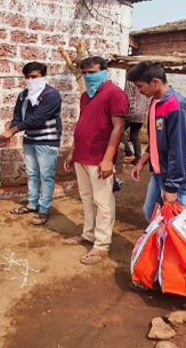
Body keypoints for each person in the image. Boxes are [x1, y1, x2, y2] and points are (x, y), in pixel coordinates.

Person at [62, 56, 128, 265]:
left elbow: (118, 126)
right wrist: (73, 151)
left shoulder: (115, 94)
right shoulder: (86, 96)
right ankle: (88, 234)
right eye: (85, 73)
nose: (88, 76)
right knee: (86, 197)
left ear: (104, 71)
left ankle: (101, 244)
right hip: (82, 154)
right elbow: (82, 123)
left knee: (103, 201)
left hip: (99, 157)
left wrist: (108, 159)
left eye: (92, 72)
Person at [128, 62, 186, 222]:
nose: (139, 91)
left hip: (177, 175)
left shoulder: (176, 106)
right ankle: (160, 245)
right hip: (159, 172)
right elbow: (157, 139)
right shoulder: (155, 102)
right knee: (150, 212)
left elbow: (179, 150)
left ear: (155, 82)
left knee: (175, 222)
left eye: (140, 86)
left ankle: (173, 247)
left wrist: (172, 187)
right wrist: (142, 161)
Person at [0, 61, 62, 226]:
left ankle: (44, 209)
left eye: (34, 76)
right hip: (30, 140)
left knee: (46, 176)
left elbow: (38, 118)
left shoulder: (51, 94)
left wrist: (13, 131)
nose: (30, 80)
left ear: (43, 76)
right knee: (33, 175)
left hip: (47, 140)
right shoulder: (23, 95)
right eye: (27, 77)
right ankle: (32, 204)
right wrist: (12, 128)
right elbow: (17, 116)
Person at [123, 80, 149, 163]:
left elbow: (127, 98)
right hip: (142, 114)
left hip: (131, 112)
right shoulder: (145, 82)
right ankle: (138, 157)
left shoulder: (130, 82)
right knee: (134, 136)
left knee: (117, 132)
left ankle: (128, 153)